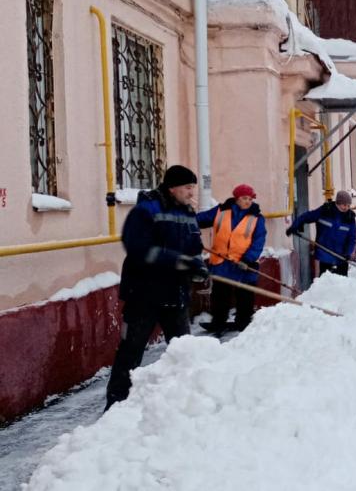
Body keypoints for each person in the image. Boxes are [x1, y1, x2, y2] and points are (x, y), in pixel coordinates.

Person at [105, 165, 208, 410]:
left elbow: (194, 245)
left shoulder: (187, 211)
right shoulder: (145, 210)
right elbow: (138, 249)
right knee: (131, 350)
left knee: (183, 350)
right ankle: (115, 405)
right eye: (187, 187)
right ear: (172, 188)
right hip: (144, 293)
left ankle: (184, 402)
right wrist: (177, 260)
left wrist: (197, 265)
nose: (192, 191)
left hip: (175, 293)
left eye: (193, 186)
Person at [197, 184, 267, 333]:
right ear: (236, 198)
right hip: (222, 262)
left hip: (243, 263)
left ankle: (243, 323)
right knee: (220, 295)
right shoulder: (221, 211)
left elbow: (259, 240)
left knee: (245, 296)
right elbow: (200, 219)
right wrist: (185, 220)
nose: (248, 201)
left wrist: (248, 259)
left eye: (250, 198)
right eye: (244, 198)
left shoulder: (256, 218)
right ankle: (218, 323)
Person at [286, 190, 356, 280]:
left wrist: (348, 252)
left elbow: (352, 238)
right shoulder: (325, 210)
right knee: (325, 285)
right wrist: (295, 226)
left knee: (342, 287)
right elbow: (307, 216)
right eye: (344, 205)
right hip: (324, 256)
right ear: (338, 202)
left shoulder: (349, 218)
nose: (346, 207)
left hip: (341, 258)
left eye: (348, 205)